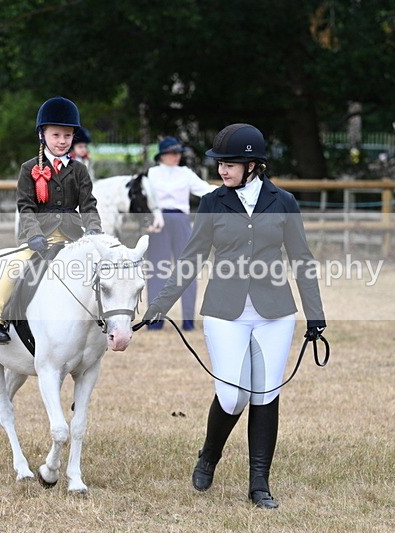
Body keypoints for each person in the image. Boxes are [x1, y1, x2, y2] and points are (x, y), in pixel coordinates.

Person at [142, 124, 327, 509]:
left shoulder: (283, 202)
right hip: (225, 311)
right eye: (220, 163)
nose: (222, 170)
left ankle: (259, 484)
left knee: (265, 394)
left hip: (274, 312)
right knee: (232, 395)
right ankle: (210, 454)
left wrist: (315, 315)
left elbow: (302, 259)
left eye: (230, 164)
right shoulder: (212, 202)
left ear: (254, 165)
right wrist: (160, 302)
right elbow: (191, 257)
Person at [0, 96, 102, 344]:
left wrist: (94, 231)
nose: (62, 141)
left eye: (68, 136)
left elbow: (89, 204)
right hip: (38, 238)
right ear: (42, 135)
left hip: (73, 237)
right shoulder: (29, 169)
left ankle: (101, 325)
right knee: (16, 266)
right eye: (56, 135)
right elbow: (25, 206)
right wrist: (33, 235)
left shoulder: (79, 170)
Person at [146, 136, 216, 331]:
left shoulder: (185, 173)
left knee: (187, 268)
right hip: (158, 221)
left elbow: (205, 190)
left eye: (178, 153)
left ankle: (188, 320)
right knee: (157, 270)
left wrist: (228, 191)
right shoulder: (151, 174)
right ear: (162, 155)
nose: (177, 156)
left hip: (181, 219)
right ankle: (155, 319)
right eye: (172, 153)